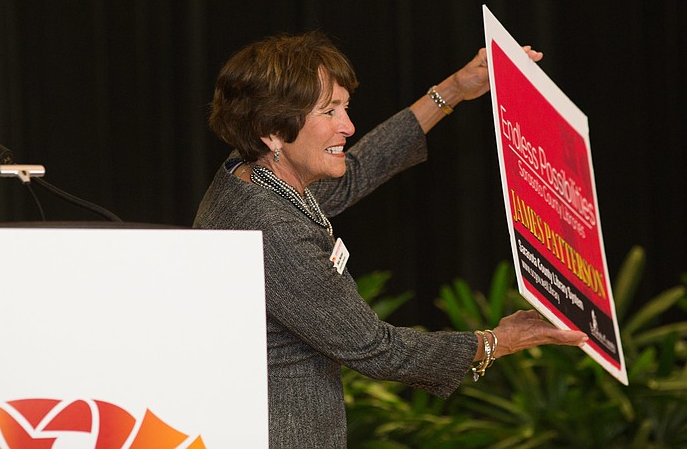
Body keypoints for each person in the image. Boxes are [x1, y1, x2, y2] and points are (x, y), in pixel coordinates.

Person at [193, 31, 587, 448]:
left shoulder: (252, 171)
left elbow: (359, 170)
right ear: (271, 130)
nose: (348, 126)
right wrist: (498, 342)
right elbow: (378, 349)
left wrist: (453, 90)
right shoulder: (272, 230)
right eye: (329, 111)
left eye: (346, 107)